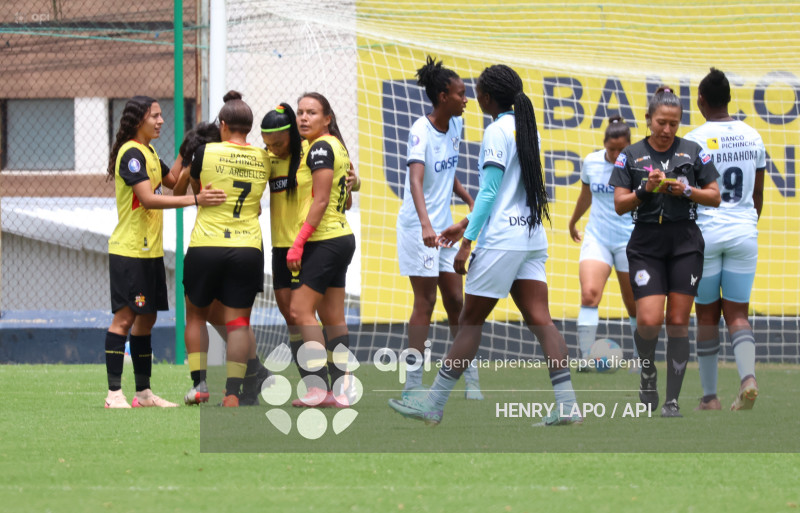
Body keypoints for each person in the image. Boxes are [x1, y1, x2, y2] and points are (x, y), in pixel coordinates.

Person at [389, 64, 580, 426]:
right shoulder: (527, 127)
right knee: (541, 319)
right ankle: (568, 404)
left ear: (487, 97)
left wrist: (467, 242)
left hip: (502, 239)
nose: (471, 97)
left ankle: (432, 404)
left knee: (469, 320)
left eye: (474, 91)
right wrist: (463, 223)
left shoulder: (495, 131)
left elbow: (491, 193)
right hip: (531, 235)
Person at [104, 95, 226, 408]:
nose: (160, 121)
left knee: (146, 320)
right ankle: (114, 393)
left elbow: (173, 182)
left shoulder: (149, 151)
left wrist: (190, 151)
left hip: (150, 252)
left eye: (161, 116)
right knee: (124, 318)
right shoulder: (131, 153)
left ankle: (143, 393)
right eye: (154, 116)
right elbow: (148, 198)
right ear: (137, 120)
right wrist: (196, 200)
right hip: (130, 250)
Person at [609, 86, 721, 418]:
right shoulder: (629, 155)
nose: (667, 130)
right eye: (661, 123)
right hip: (646, 245)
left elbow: (714, 196)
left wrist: (687, 190)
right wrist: (645, 190)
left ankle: (672, 400)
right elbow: (619, 204)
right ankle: (647, 372)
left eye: (673, 123)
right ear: (648, 119)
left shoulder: (694, 151)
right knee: (648, 320)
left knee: (676, 321)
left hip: (685, 243)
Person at [394, 56, 482, 400]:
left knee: (456, 300)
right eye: (461, 93)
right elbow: (416, 181)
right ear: (443, 96)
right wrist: (427, 226)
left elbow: (448, 170)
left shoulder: (457, 126)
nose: (466, 99)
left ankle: (468, 374)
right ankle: (413, 383)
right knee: (425, 301)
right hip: (419, 228)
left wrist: (465, 195)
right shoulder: (420, 130)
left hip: (443, 227)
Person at [174, 120, 272, 406]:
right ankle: (244, 381)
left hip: (208, 244)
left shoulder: (206, 157)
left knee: (199, 315)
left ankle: (203, 382)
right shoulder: (259, 157)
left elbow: (177, 189)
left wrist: (189, 164)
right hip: (246, 246)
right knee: (236, 321)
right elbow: (257, 204)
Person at [684, 68, 766, 411]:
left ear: (700, 100)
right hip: (744, 232)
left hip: (706, 235)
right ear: (729, 99)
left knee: (705, 316)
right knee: (737, 314)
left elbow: (686, 196)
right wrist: (746, 223)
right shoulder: (753, 136)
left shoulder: (694, 140)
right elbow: (758, 194)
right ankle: (748, 378)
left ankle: (709, 397)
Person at [287, 92, 357, 407]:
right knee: (332, 316)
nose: (303, 118)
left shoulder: (321, 148)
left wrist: (299, 241)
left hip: (326, 240)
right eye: (300, 112)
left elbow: (322, 200)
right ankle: (343, 390)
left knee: (299, 310)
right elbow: (348, 196)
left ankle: (317, 389)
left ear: (326, 118)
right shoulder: (337, 146)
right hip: (340, 237)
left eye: (311, 113)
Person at [568, 116, 637, 365]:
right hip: (597, 237)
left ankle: (641, 359)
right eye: (612, 149)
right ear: (604, 145)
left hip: (629, 240)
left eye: (622, 149)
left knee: (633, 305)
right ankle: (585, 357)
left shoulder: (639, 166)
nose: (617, 154)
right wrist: (573, 221)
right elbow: (586, 195)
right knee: (589, 295)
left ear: (630, 146)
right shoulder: (592, 162)